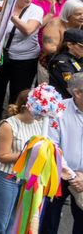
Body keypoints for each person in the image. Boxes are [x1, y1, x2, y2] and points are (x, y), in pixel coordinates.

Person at [0, 85, 57, 234]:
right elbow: (3, 156)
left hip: (28, 179)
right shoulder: (8, 125)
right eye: (39, 107)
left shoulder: (41, 125)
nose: (42, 112)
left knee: (16, 222)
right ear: (28, 106)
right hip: (7, 176)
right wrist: (28, 154)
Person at [0, 0, 44, 124]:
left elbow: (28, 30)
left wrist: (9, 14)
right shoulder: (1, 4)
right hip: (2, 54)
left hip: (25, 57)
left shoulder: (36, 10)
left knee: (19, 88)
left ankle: (13, 115)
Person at [44, 76, 83, 233]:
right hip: (58, 174)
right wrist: (72, 176)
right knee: (48, 221)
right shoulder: (58, 110)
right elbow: (51, 145)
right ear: (78, 93)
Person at [48, 28, 83, 99]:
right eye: (81, 46)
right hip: (65, 102)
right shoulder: (62, 63)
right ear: (69, 45)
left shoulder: (79, 57)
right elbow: (73, 86)